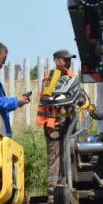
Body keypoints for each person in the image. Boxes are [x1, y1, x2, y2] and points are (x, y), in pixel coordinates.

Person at [38, 49, 76, 192]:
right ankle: (53, 191)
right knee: (55, 156)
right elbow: (47, 99)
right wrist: (60, 98)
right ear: (56, 61)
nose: (69, 62)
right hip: (54, 124)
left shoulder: (71, 77)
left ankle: (66, 186)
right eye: (65, 59)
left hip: (68, 123)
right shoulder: (50, 78)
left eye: (70, 59)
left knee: (69, 154)